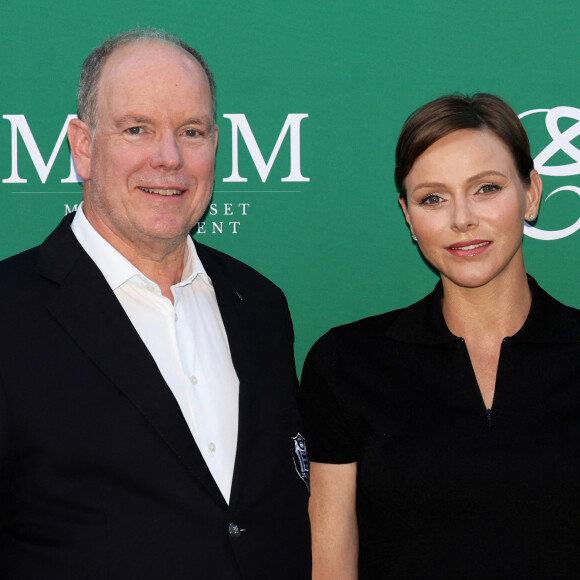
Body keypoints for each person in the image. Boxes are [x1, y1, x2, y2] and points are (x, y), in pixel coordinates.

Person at [0, 29, 310, 579]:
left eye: (190, 131)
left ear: (215, 145)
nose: (168, 159)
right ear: (83, 147)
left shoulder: (260, 305)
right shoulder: (10, 310)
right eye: (137, 129)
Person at [299, 93, 580, 578]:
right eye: (433, 198)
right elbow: (332, 566)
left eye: (487, 188)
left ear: (531, 193)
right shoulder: (347, 363)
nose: (462, 219)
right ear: (408, 216)